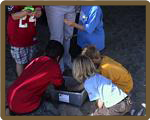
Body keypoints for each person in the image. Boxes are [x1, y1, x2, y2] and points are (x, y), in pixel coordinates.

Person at [6, 40, 64, 115]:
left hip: (11, 95)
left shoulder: (36, 59)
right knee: (45, 102)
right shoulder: (54, 66)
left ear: (45, 52)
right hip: (23, 104)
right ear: (58, 57)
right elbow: (59, 85)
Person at [7, 5, 42, 76]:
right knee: (20, 62)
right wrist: (26, 12)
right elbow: (14, 16)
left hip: (31, 36)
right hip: (18, 37)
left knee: (30, 59)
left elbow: (39, 12)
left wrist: (37, 12)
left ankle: (27, 77)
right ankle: (21, 80)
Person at [45, 6, 76, 72]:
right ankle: (59, 66)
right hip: (55, 6)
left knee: (68, 35)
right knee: (57, 38)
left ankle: (67, 60)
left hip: (71, 5)